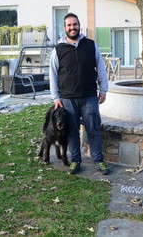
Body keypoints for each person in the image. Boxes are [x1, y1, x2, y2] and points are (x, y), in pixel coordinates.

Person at [49, 13, 109, 175]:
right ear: (64, 28)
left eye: (75, 24)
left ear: (79, 25)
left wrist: (103, 90)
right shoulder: (58, 49)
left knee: (93, 129)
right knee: (72, 130)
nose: (72, 27)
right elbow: (53, 74)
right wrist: (56, 98)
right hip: (68, 98)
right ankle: (75, 160)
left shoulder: (90, 45)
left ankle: (98, 161)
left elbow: (101, 68)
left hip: (89, 96)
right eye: (69, 25)